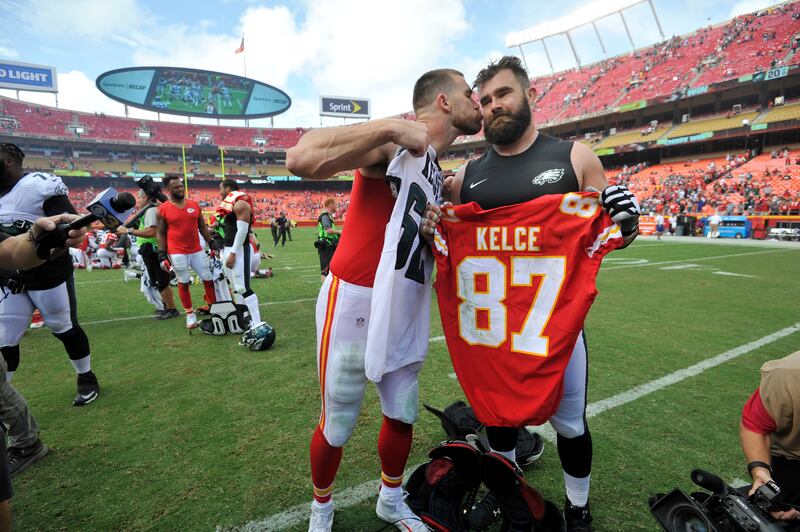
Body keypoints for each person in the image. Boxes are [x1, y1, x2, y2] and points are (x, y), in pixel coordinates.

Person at [421, 56, 640, 531]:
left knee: (570, 426)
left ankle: (578, 507)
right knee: (496, 420)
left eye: (504, 94)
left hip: (552, 331)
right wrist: (437, 222)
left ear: (528, 95)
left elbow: (612, 233)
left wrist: (627, 217)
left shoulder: (574, 157)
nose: (494, 105)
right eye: (485, 100)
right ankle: (509, 494)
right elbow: (447, 237)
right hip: (493, 332)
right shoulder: (466, 177)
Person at [286, 67, 482, 532]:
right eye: (470, 92)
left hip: (405, 301)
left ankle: (390, 500)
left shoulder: (436, 170)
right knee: (339, 417)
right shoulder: (394, 144)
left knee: (403, 411)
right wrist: (391, 126)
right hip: (356, 298)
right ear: (444, 102)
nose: (478, 101)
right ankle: (322, 509)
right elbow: (300, 158)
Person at [0, 143, 101, 407]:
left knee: (63, 326)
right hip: (8, 279)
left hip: (49, 273)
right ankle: (4, 397)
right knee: (5, 337)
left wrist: (60, 241)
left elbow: (71, 227)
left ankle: (86, 376)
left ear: (8, 160)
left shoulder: (38, 185)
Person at [740, 351, 800, 523]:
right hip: (791, 459)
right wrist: (760, 470)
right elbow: (755, 425)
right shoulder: (788, 376)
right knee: (778, 515)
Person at [156, 176, 218, 329]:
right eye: (176, 187)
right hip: (177, 252)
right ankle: (190, 315)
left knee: (208, 278)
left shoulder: (194, 205)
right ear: (168, 190)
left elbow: (202, 226)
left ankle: (214, 308)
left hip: (197, 249)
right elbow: (161, 233)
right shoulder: (162, 209)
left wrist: (211, 241)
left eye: (181, 186)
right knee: (183, 281)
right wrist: (162, 253)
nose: (180, 189)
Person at [118, 190, 179, 319]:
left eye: (139, 198)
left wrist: (128, 230)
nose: (137, 201)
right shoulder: (148, 211)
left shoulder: (151, 210)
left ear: (146, 198)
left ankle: (171, 309)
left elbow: (151, 232)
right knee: (158, 281)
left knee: (162, 281)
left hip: (155, 249)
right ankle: (166, 307)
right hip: (151, 249)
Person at [217, 179, 264, 330]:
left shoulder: (240, 203)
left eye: (221, 189)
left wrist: (233, 253)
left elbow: (243, 231)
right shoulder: (233, 203)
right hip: (229, 248)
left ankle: (257, 322)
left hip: (238, 250)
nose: (219, 193)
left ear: (228, 188)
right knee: (235, 287)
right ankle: (242, 317)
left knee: (242, 287)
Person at [315, 198, 341, 282]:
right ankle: (325, 292)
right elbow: (328, 230)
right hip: (326, 246)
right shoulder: (325, 216)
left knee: (329, 270)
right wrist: (340, 232)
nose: (336, 206)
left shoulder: (327, 216)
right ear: (330, 204)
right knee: (325, 271)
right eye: (335, 204)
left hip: (329, 246)